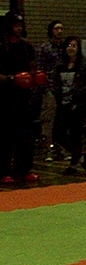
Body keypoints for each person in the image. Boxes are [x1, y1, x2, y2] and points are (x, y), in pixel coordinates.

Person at [0, 11, 40, 183]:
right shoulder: (1, 47)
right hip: (4, 97)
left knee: (26, 136)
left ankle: (23, 170)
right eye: (16, 25)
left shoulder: (26, 47)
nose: (19, 28)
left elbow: (32, 68)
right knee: (5, 137)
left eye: (20, 25)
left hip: (24, 97)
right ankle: (3, 171)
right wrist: (11, 79)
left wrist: (35, 76)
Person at [53, 35, 86, 175]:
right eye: (69, 45)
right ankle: (79, 155)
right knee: (58, 134)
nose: (71, 48)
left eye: (74, 46)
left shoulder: (84, 66)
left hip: (77, 106)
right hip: (62, 104)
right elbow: (56, 84)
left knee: (75, 134)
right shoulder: (60, 66)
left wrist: (81, 94)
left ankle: (73, 165)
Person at [37, 20, 65, 161]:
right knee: (48, 119)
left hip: (63, 88)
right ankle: (47, 149)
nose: (59, 31)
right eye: (56, 29)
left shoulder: (65, 47)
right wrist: (42, 87)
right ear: (51, 31)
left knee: (61, 120)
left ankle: (60, 148)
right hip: (49, 87)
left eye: (61, 29)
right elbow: (40, 68)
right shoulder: (45, 47)